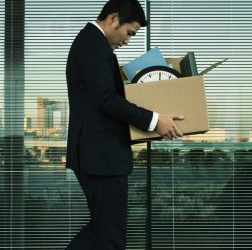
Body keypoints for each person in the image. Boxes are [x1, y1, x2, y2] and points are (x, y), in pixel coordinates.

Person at [65, 0, 184, 249]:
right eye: (129, 33)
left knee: (102, 230)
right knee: (109, 236)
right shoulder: (91, 45)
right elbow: (105, 99)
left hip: (99, 155)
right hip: (99, 157)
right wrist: (154, 120)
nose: (128, 41)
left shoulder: (94, 45)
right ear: (113, 19)